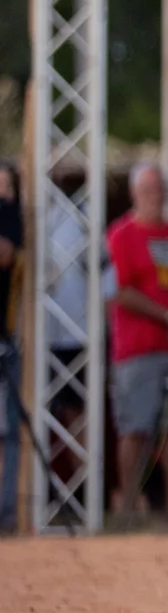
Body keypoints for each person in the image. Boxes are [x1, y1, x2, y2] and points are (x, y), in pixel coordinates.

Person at [106, 161, 168, 525]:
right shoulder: (121, 235)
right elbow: (121, 290)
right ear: (134, 193)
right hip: (138, 348)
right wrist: (166, 318)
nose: (155, 197)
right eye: (148, 190)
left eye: (160, 190)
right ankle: (129, 506)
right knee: (135, 427)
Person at [0, 161, 22, 532]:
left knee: (9, 431)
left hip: (6, 335)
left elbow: (4, 255)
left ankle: (6, 511)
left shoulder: (10, 217)